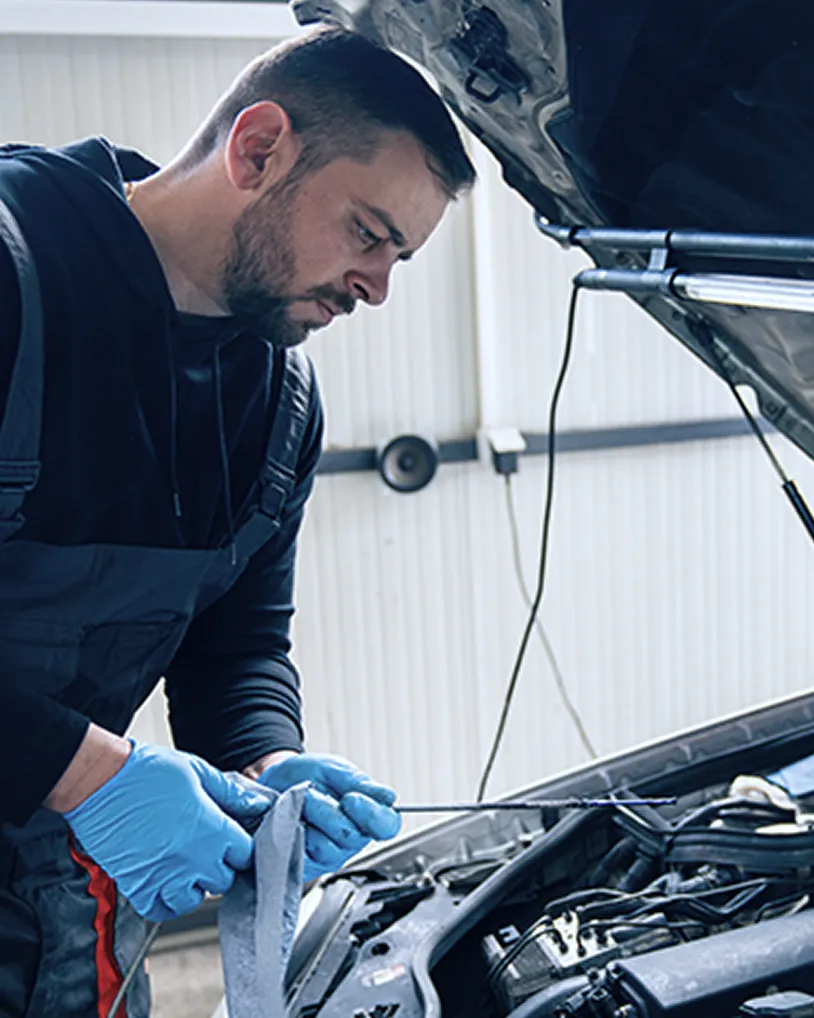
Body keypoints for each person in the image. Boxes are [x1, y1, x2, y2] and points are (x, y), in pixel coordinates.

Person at [0, 24, 475, 1017]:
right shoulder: (14, 274)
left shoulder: (278, 410)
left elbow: (238, 648)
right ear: (257, 150)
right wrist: (89, 773)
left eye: (400, 259)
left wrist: (268, 766)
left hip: (55, 917)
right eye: (368, 234)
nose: (376, 290)